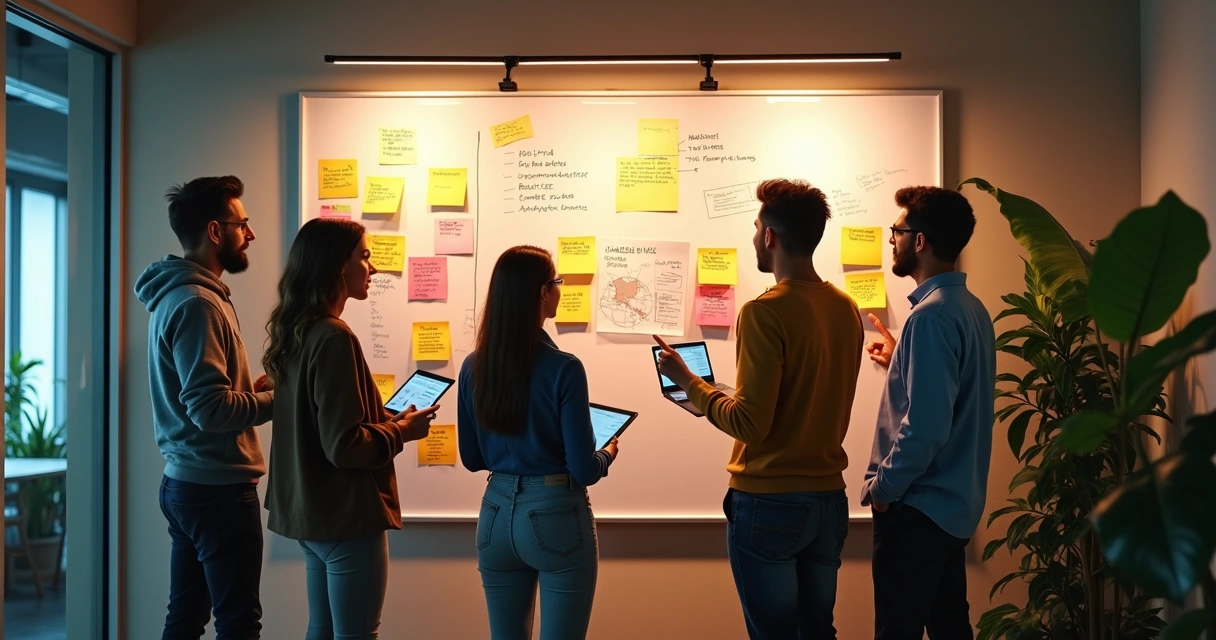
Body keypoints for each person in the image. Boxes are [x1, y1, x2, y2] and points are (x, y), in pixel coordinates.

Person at [655, 178, 864, 640]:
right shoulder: (845, 307)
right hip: (829, 499)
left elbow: (750, 423)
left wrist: (688, 382)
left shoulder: (763, 312)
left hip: (770, 501)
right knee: (818, 631)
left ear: (769, 236)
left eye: (755, 228)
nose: (753, 237)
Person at [261, 218, 438, 640]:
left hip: (309, 514)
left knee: (321, 628)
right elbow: (344, 446)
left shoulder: (296, 332)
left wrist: (387, 423)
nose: (372, 268)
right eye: (364, 255)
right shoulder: (334, 336)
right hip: (345, 517)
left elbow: (328, 428)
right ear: (338, 265)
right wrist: (402, 432)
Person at [457, 245, 620, 640]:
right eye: (557, 282)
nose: (560, 290)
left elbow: (472, 458)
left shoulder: (473, 365)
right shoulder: (565, 368)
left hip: (494, 515)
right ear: (542, 293)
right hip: (554, 514)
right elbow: (583, 470)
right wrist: (607, 454)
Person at [134, 175, 273, 639]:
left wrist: (250, 391)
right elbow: (209, 411)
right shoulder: (198, 303)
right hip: (217, 490)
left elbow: (201, 395)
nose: (250, 234)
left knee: (186, 619)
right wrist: (281, 400)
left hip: (188, 485)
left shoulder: (183, 295)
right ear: (216, 231)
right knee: (238, 623)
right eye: (243, 223)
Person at [860, 186, 996, 640]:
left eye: (897, 231)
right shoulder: (969, 310)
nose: (891, 240)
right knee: (951, 627)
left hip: (915, 509)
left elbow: (927, 428)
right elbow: (952, 401)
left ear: (920, 241)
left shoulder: (930, 318)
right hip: (950, 510)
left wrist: (884, 489)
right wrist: (902, 360)